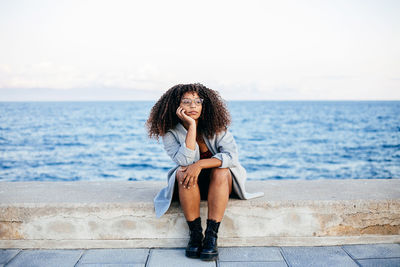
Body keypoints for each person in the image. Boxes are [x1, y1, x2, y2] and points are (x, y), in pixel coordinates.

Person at [146, 83, 263, 261]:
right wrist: (191, 126)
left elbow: (232, 156)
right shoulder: (169, 131)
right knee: (183, 171)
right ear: (176, 106)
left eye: (197, 101)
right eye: (186, 101)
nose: (193, 106)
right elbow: (184, 161)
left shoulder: (216, 126)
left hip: (220, 183)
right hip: (190, 184)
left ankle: (211, 237)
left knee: (221, 171)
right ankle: (195, 235)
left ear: (204, 105)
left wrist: (200, 164)